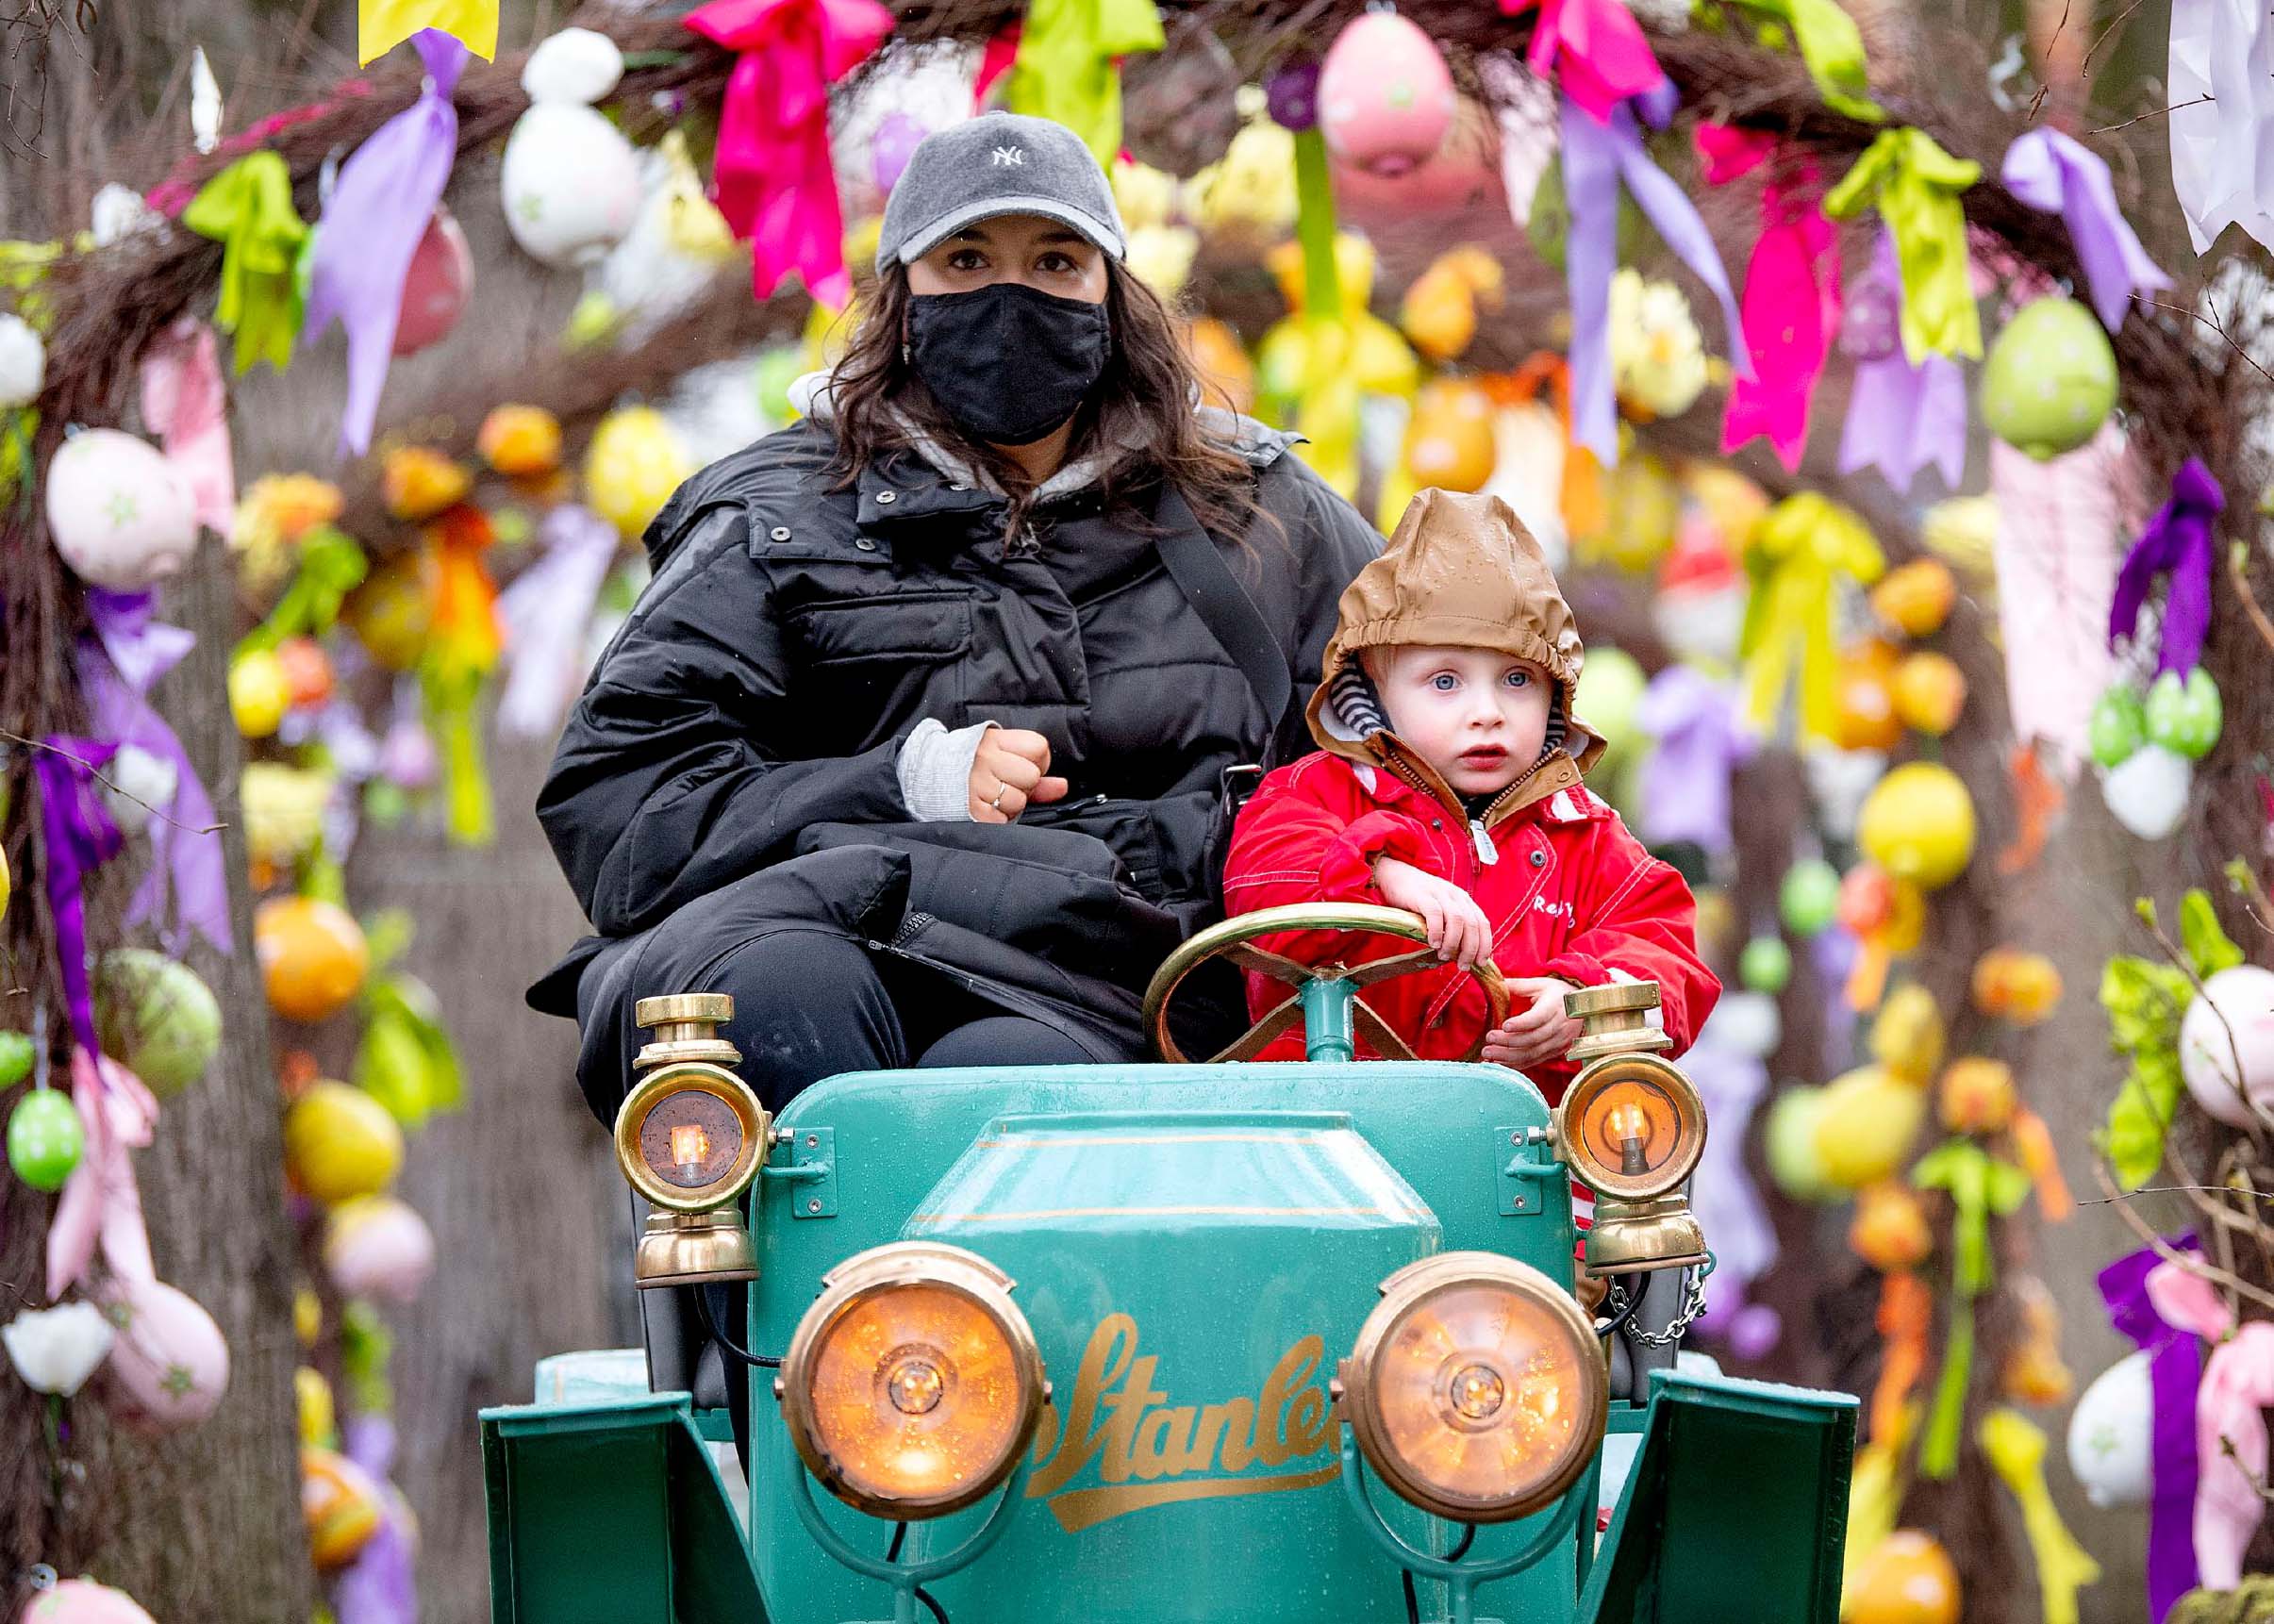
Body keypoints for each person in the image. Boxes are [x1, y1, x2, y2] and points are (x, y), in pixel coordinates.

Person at [527, 110, 1381, 1125]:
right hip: (819, 932)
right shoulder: (769, 514)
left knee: (1006, 1089)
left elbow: (1434, 724)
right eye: (965, 259)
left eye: (1055, 261)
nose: (1010, 298)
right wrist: (898, 783)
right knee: (776, 1008)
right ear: (901, 297)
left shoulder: (1259, 511)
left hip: (1122, 980)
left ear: (1111, 297)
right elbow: (624, 809)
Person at [1220, 487, 1719, 1102]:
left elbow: (1664, 947)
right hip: (1332, 1123)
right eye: (1444, 681)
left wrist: (1584, 1000)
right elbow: (1262, 885)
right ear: (1374, 687)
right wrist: (1382, 874)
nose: (1487, 712)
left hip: (1516, 1138)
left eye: (1517, 679)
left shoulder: (1585, 833)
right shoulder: (1315, 793)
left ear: (1556, 692)